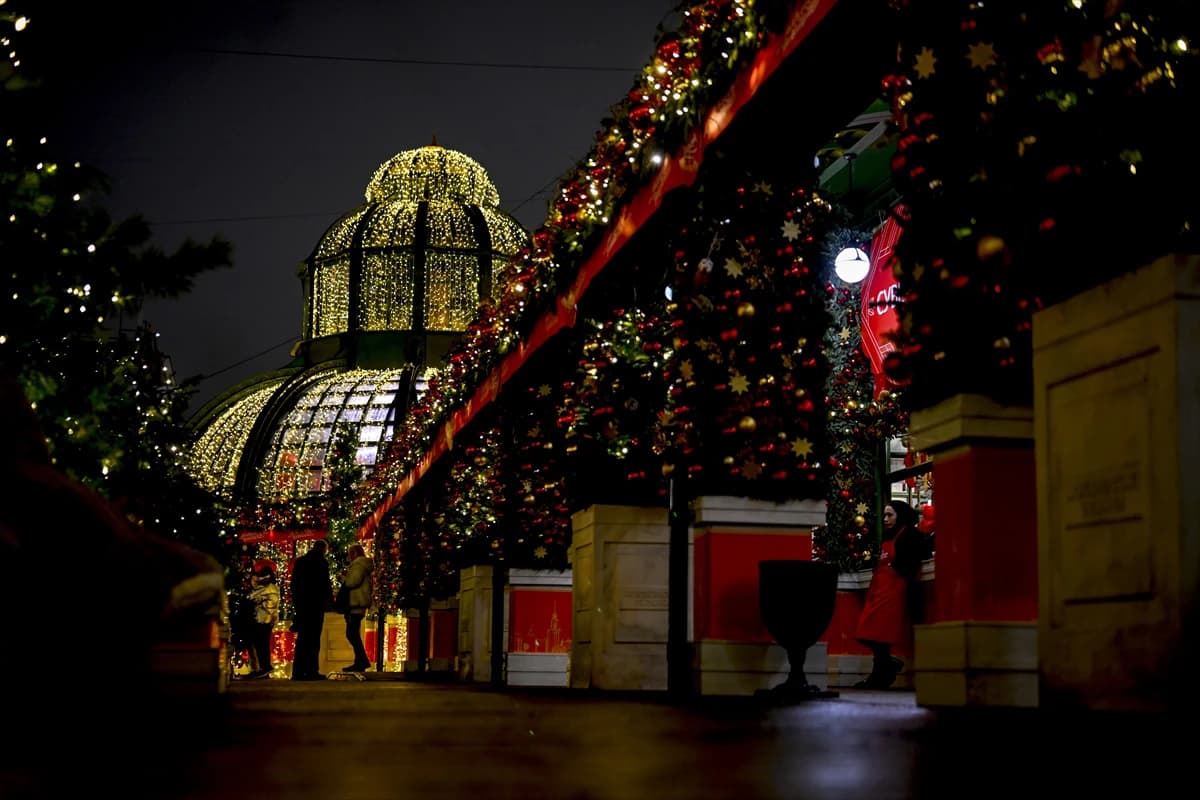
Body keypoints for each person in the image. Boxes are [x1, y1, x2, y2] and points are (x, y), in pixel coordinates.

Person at [853, 499, 931, 689]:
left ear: (900, 516)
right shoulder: (888, 536)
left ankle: (880, 674)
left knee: (879, 634)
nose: (885, 519)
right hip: (879, 588)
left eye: (890, 515)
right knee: (868, 632)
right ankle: (886, 666)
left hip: (895, 590)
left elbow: (921, 551)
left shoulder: (909, 535)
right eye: (885, 515)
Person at [290, 539, 332, 680]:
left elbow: (294, 584)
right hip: (316, 605)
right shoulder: (322, 563)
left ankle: (298, 672)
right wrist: (329, 602)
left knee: (302, 639)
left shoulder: (300, 562)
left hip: (303, 606)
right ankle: (311, 670)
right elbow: (325, 585)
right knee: (314, 639)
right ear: (324, 550)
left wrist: (297, 603)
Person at [339, 542, 374, 672]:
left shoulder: (358, 565)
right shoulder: (363, 565)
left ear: (354, 553)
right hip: (358, 603)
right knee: (353, 633)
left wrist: (343, 578)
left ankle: (362, 661)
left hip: (355, 603)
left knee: (351, 633)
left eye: (350, 553)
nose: (349, 556)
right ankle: (360, 661)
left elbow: (352, 582)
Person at [247, 561, 281, 677]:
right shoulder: (273, 588)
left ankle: (265, 666)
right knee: (263, 644)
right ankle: (264, 667)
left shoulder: (265, 589)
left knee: (261, 644)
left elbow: (251, 597)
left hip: (262, 620)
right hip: (268, 620)